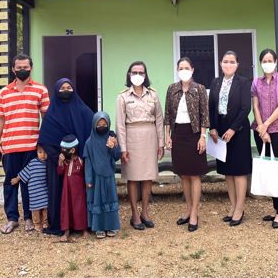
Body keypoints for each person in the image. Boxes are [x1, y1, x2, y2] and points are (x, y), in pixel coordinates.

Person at [0, 53, 50, 234]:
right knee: (10, 183)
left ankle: (28, 218)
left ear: (31, 68)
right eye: (19, 67)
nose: (22, 70)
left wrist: (44, 143)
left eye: (25, 67)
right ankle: (12, 219)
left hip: (32, 147)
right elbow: (0, 119)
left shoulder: (40, 90)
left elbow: (46, 118)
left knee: (29, 184)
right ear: (13, 69)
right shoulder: (4, 93)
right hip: (10, 147)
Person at [37, 78, 93, 236]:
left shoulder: (82, 110)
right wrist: (60, 157)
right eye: (62, 88)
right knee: (58, 194)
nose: (66, 90)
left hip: (78, 163)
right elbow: (45, 139)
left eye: (69, 87)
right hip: (58, 163)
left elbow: (96, 126)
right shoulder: (51, 114)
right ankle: (61, 225)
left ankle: (81, 224)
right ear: (56, 91)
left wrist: (111, 135)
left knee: (79, 196)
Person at [116, 61, 164, 230]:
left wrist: (161, 143)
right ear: (129, 75)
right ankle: (134, 214)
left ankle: (145, 212)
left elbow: (159, 120)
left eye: (141, 72)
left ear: (145, 75)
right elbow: (120, 124)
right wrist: (123, 148)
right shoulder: (122, 97)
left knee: (147, 176)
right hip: (131, 137)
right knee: (133, 176)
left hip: (150, 136)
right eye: (134, 72)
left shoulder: (153, 95)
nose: (138, 75)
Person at [164, 57, 209, 232]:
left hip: (194, 134)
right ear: (177, 70)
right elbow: (168, 114)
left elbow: (205, 115)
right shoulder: (172, 89)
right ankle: (188, 209)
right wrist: (167, 136)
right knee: (183, 174)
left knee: (195, 175)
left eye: (186, 68)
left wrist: (203, 136)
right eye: (181, 68)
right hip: (178, 134)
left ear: (192, 70)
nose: (184, 70)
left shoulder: (199, 89)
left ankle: (195, 213)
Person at [209, 50, 252, 227]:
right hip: (220, 131)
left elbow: (245, 108)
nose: (228, 64)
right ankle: (233, 206)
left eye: (232, 61)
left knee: (239, 171)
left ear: (237, 65)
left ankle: (240, 209)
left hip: (238, 131)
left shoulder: (243, 82)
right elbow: (212, 106)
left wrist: (233, 129)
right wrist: (212, 127)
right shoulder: (215, 82)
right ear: (220, 63)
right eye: (225, 61)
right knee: (227, 171)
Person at [251, 48, 278, 229]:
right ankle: (275, 208)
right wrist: (261, 128)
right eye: (264, 61)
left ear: (275, 62)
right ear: (260, 63)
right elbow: (255, 106)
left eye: (270, 60)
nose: (267, 63)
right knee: (269, 170)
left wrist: (266, 125)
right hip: (260, 131)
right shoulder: (256, 82)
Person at [83, 111, 122, 239]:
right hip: (96, 178)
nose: (101, 127)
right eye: (99, 124)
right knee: (97, 201)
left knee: (110, 200)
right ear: (94, 125)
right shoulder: (89, 143)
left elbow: (116, 156)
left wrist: (113, 147)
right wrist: (88, 179)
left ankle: (111, 226)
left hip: (109, 176)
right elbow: (88, 163)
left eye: (104, 124)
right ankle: (98, 227)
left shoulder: (111, 139)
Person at [10, 145, 49, 233]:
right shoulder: (33, 163)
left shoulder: (48, 164)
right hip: (34, 193)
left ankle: (45, 223)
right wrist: (17, 179)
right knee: (35, 210)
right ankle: (37, 224)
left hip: (44, 192)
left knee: (45, 208)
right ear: (36, 153)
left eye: (45, 153)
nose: (43, 155)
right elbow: (24, 172)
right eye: (40, 152)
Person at [58, 134, 88, 242]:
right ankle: (66, 231)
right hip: (67, 191)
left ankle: (84, 229)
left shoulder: (80, 160)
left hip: (79, 191)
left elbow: (85, 174)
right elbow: (60, 172)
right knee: (66, 208)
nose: (62, 152)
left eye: (64, 149)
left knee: (80, 208)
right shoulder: (65, 161)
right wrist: (60, 162)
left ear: (72, 150)